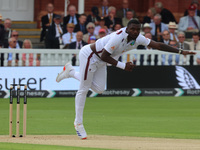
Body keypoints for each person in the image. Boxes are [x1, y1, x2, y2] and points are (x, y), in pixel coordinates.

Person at [55, 19, 195, 140]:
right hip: (90, 56)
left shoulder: (138, 38)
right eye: (132, 29)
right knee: (83, 89)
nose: (135, 32)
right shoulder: (118, 37)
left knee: (100, 89)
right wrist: (123, 66)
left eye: (137, 30)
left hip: (102, 60)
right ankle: (78, 123)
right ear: (126, 29)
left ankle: (71, 72)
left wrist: (181, 51)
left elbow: (157, 45)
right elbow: (104, 55)